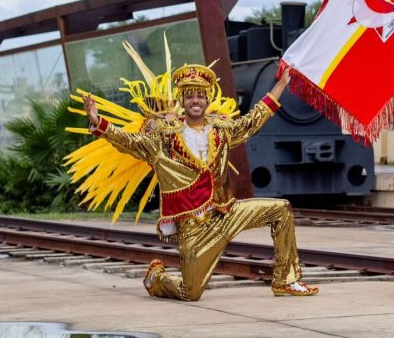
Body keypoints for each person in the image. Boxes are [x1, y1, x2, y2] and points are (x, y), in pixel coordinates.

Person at [83, 62, 319, 301]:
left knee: (281, 210)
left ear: (207, 100)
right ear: (182, 101)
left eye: (200, 96)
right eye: (190, 97)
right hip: (193, 226)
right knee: (191, 293)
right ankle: (157, 279)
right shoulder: (165, 136)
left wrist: (280, 85)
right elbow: (130, 142)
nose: (195, 100)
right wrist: (99, 123)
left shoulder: (222, 129)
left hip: (227, 211)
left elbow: (253, 120)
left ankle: (286, 280)